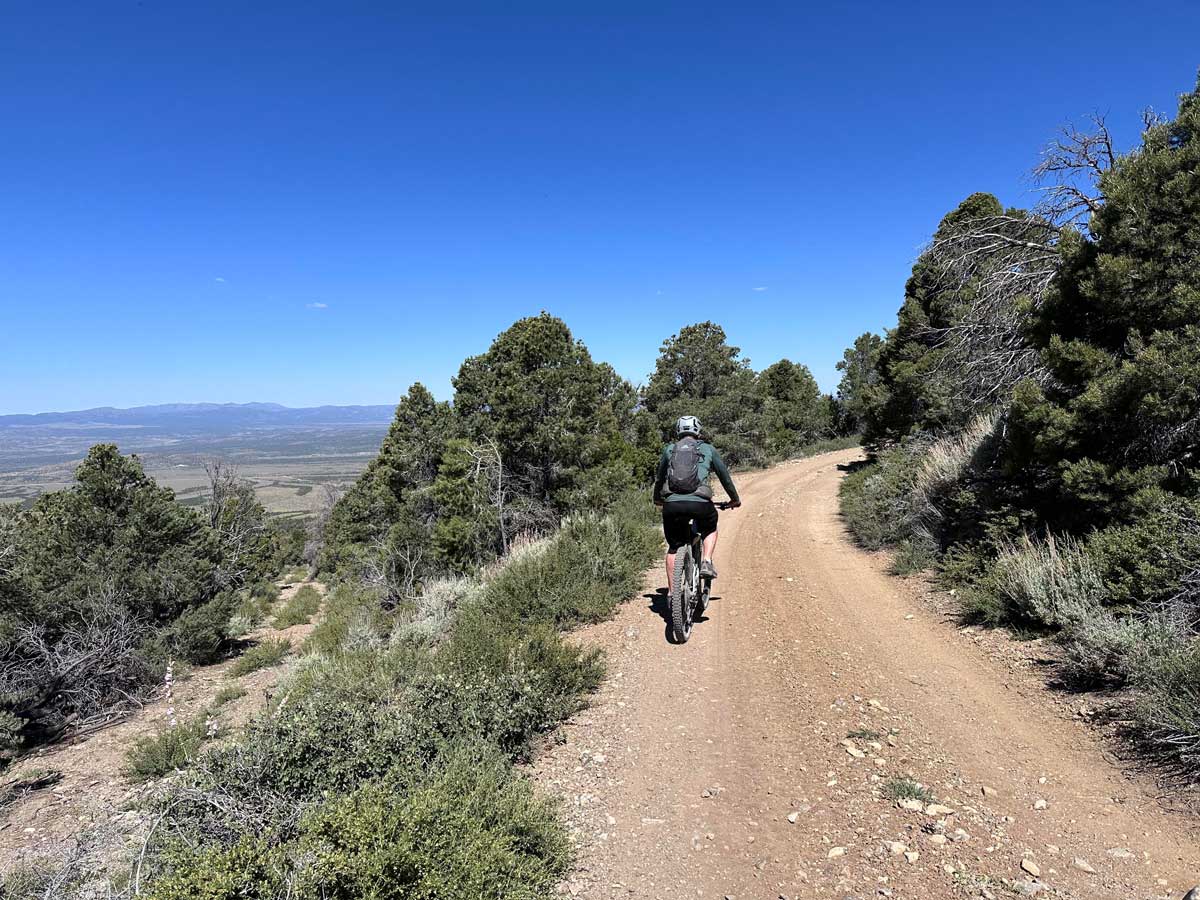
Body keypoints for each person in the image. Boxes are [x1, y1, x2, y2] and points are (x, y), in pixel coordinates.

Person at [653, 415, 741, 593]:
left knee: (673, 547)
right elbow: (725, 477)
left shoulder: (670, 449)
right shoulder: (707, 449)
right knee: (710, 527)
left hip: (672, 505)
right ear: (698, 431)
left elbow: (660, 478)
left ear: (678, 431)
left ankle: (672, 593)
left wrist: (658, 498)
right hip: (700, 504)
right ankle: (707, 561)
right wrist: (734, 499)